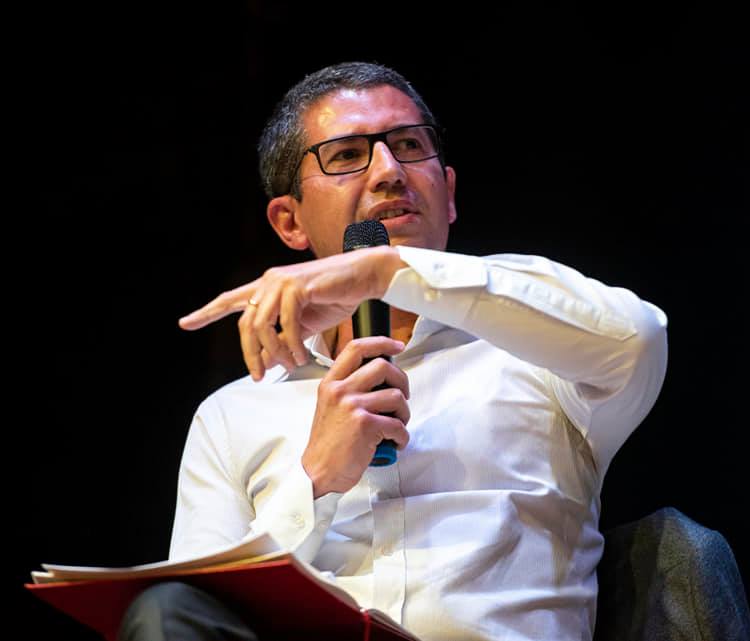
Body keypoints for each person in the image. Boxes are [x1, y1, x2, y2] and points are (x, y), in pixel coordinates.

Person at [120, 61, 672, 641]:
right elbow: (197, 612)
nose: (388, 171)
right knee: (164, 611)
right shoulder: (233, 414)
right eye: (347, 155)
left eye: (409, 146)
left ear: (449, 194)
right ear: (289, 222)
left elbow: (637, 338)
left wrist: (385, 269)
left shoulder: (536, 352)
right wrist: (315, 480)